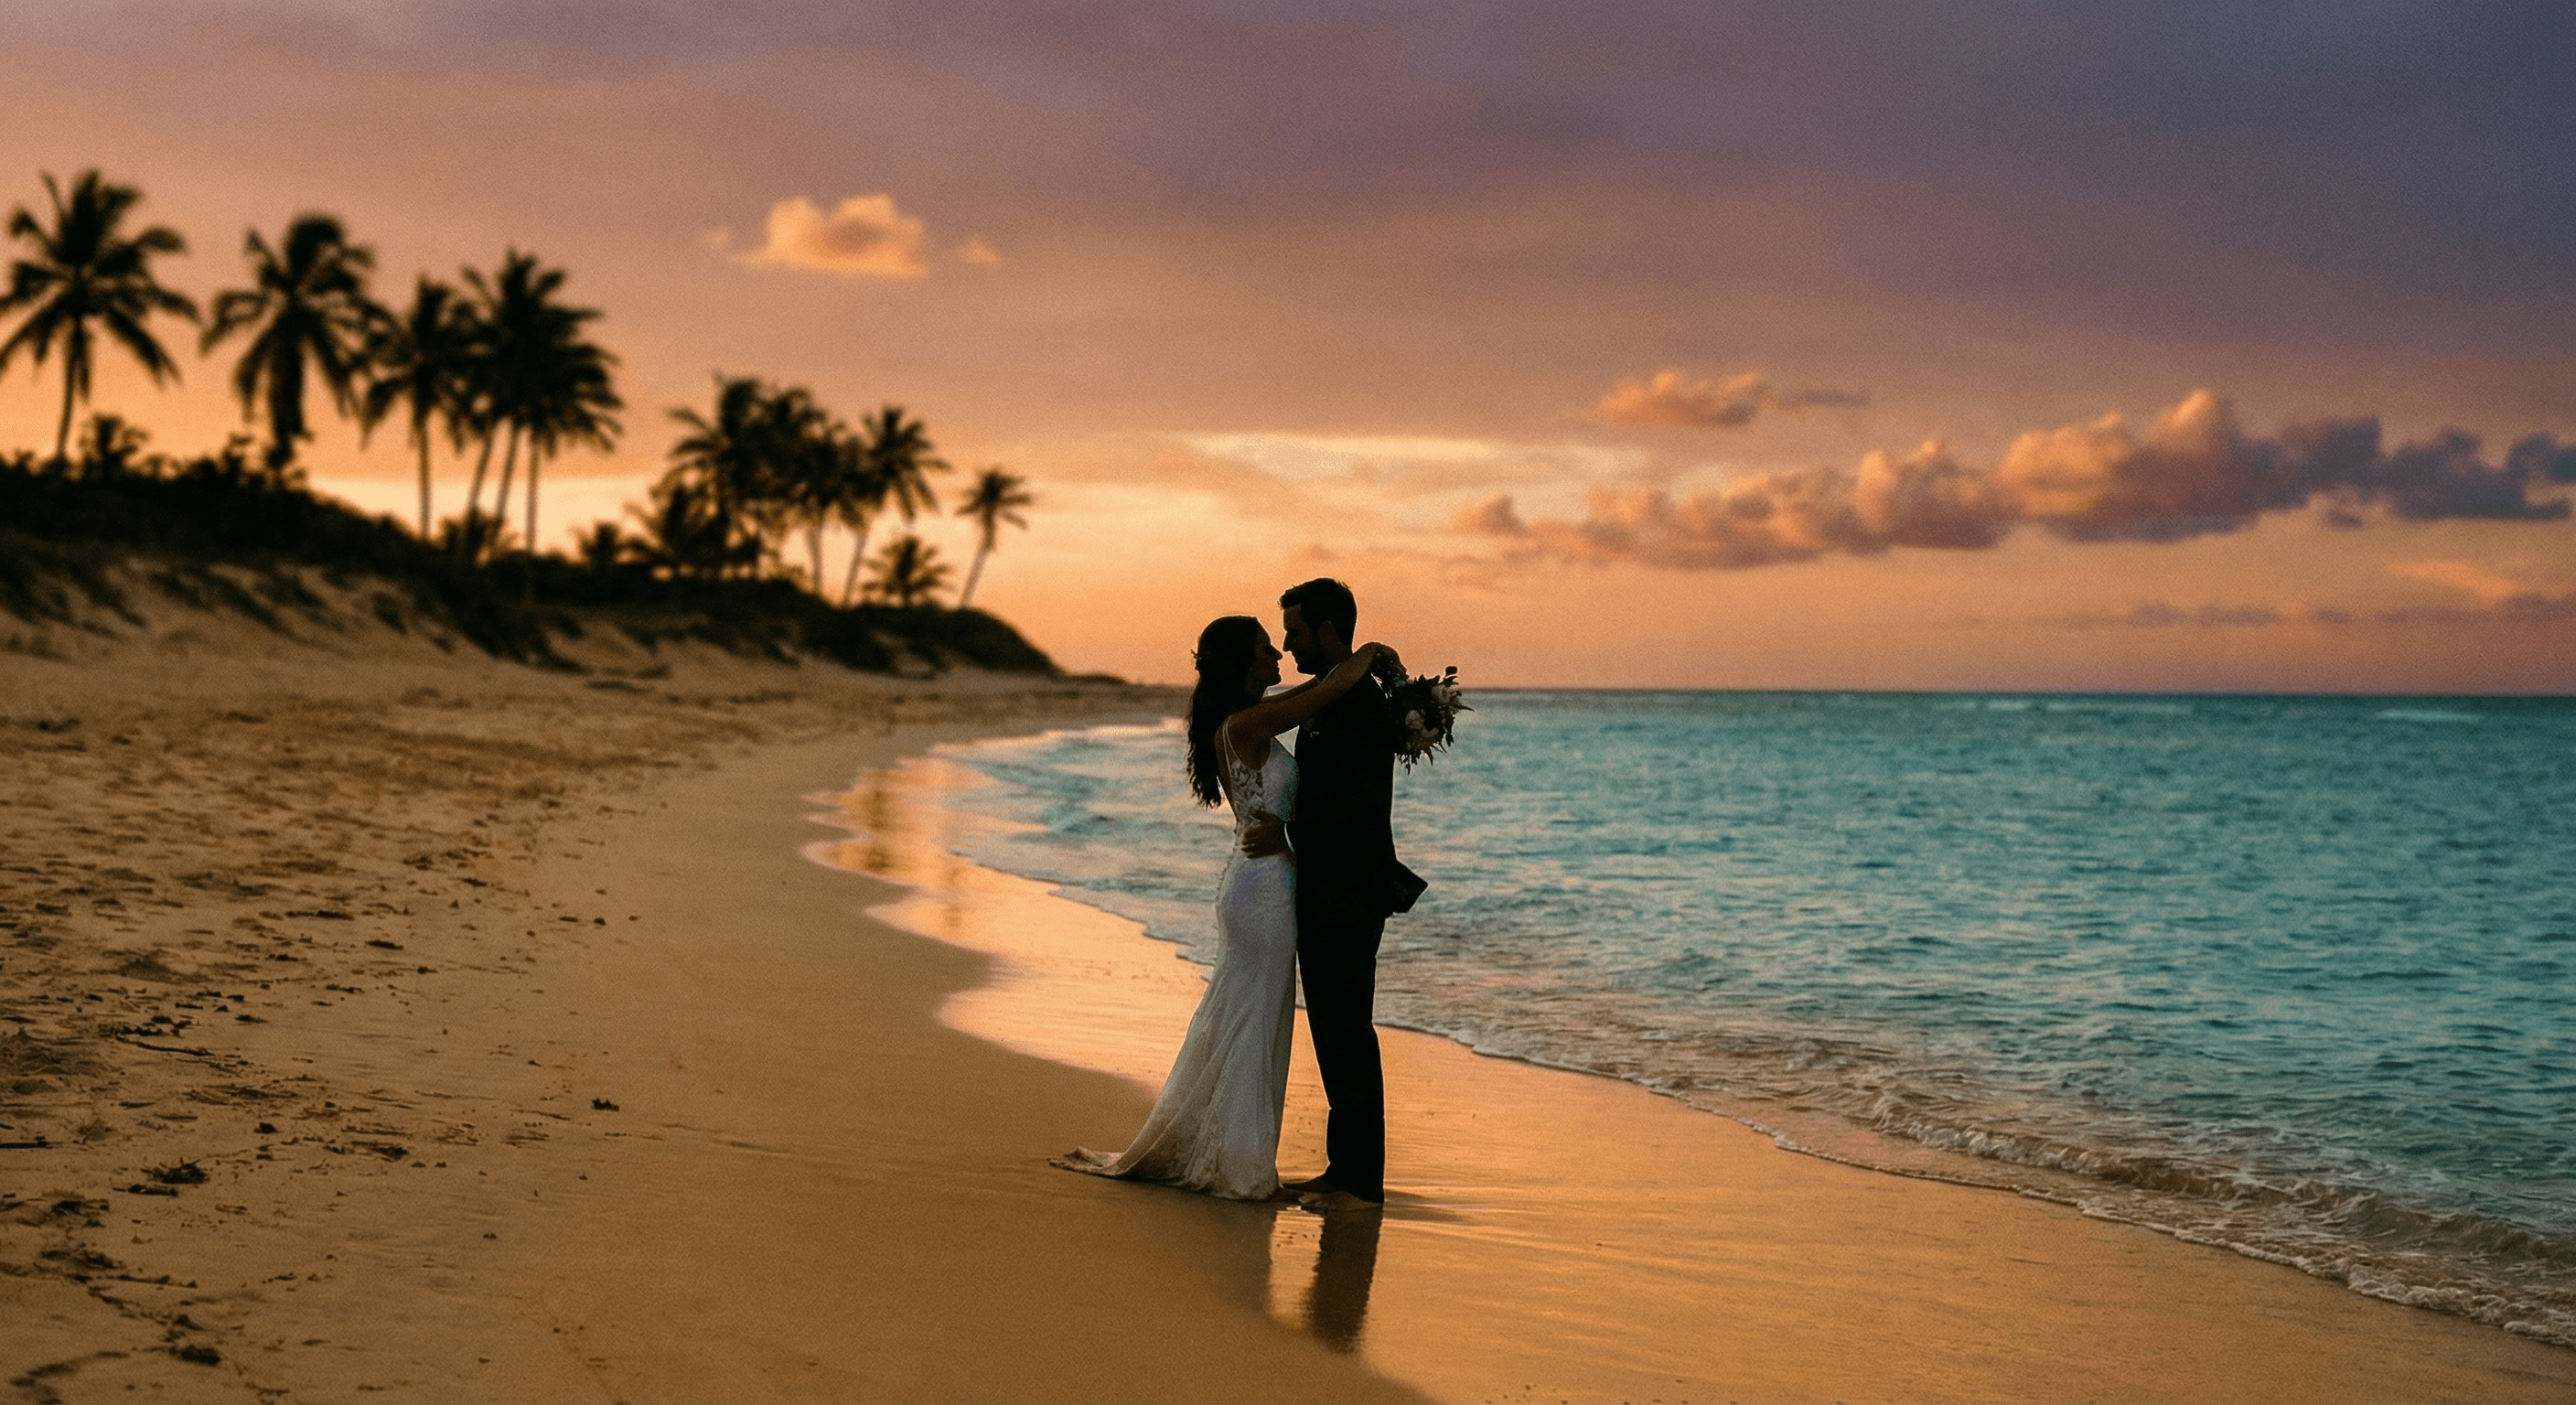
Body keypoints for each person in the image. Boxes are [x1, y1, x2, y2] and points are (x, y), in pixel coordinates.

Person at [1054, 615, 1395, 1199]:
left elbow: (1314, 695)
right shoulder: (1246, 724)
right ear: (1243, 665)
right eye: (1266, 648)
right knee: (1254, 1019)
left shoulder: (1250, 719)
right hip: (1261, 890)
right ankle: (1238, 1161)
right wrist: (1367, 652)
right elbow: (1326, 691)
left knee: (1247, 1016)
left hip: (1260, 879)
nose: (1278, 655)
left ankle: (1231, 1148)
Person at [1277, 577, 1422, 1211]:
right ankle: (1344, 1169)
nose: (1287, 643)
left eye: (1297, 631)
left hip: (1347, 888)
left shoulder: (1355, 705)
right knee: (1335, 1031)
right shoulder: (1334, 697)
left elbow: (1350, 805)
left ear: (1331, 633)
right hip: (1329, 886)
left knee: (1347, 1031)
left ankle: (1361, 1182)